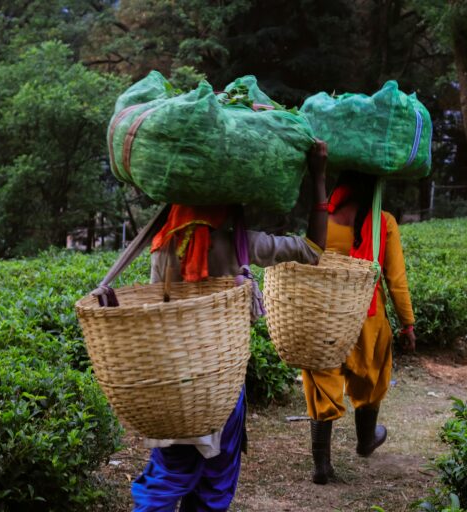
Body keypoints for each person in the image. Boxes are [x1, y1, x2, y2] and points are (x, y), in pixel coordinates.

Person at [131, 141, 329, 512]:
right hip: (218, 386)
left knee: (167, 475)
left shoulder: (163, 243)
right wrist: (319, 176)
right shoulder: (239, 242)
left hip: (169, 382)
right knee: (213, 484)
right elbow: (314, 249)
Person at [301, 171, 416, 485]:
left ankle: (321, 464)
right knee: (371, 376)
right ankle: (366, 440)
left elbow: (308, 259)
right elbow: (396, 279)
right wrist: (408, 324)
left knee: (322, 378)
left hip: (325, 314)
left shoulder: (322, 218)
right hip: (367, 317)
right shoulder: (384, 222)